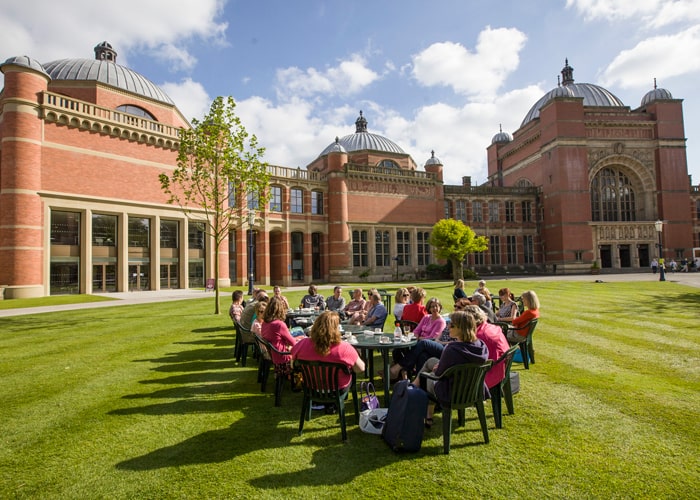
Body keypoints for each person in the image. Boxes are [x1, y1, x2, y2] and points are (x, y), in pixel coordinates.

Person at [412, 310, 490, 427]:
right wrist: (442, 365)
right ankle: (414, 387)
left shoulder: (452, 349)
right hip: (473, 389)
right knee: (430, 361)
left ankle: (416, 399)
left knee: (425, 377)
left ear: (462, 328)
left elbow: (438, 374)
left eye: (452, 325)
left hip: (451, 392)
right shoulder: (481, 346)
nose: (448, 326)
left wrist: (437, 369)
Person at [291, 311, 365, 390]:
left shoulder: (302, 344)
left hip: (311, 387)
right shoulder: (345, 348)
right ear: (336, 329)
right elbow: (360, 368)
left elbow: (293, 365)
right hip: (337, 389)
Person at [465, 305, 510, 390]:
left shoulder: (478, 335)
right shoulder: (491, 327)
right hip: (499, 368)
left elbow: (469, 359)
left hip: (488, 374)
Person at [261, 296, 298, 366]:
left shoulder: (265, 323)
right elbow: (293, 343)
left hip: (275, 355)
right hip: (284, 358)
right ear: (281, 309)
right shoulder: (279, 324)